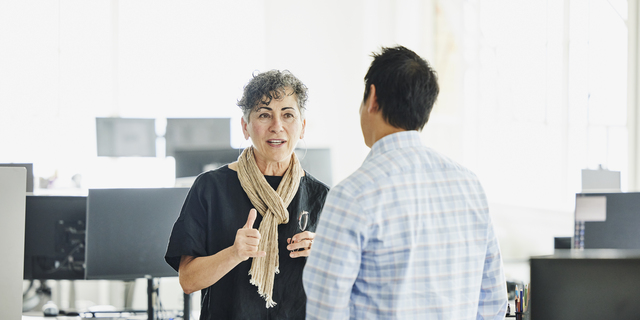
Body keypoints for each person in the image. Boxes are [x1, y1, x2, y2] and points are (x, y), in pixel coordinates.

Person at [303, 46, 508, 319]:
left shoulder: (352, 195)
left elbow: (325, 311)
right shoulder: (469, 185)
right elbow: (493, 303)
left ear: (372, 98)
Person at [165, 70, 329, 320]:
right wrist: (234, 253)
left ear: (302, 126)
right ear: (245, 127)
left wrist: (327, 257)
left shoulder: (321, 196)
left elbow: (340, 289)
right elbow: (188, 280)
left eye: (287, 115)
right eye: (264, 115)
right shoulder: (210, 188)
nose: (277, 126)